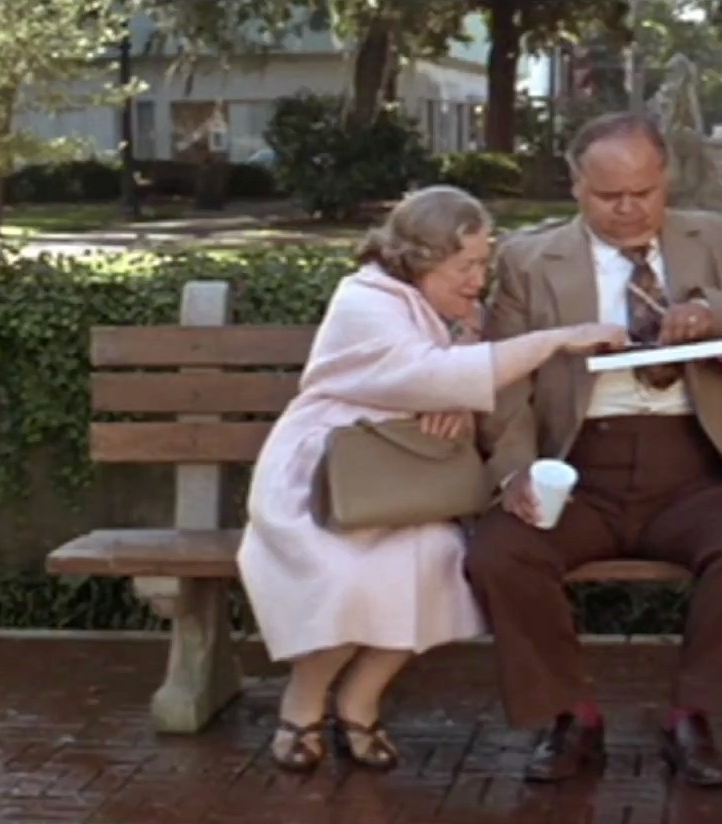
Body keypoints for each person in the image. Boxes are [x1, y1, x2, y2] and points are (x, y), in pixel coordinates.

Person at [463, 112, 722, 788]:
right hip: (579, 468)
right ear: (575, 186)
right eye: (607, 196)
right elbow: (503, 382)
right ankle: (571, 716)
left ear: (665, 180)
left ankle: (694, 717)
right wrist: (516, 472)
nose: (627, 210)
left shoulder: (715, 240)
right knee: (501, 552)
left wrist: (713, 311)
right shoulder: (530, 260)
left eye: (642, 193)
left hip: (692, 470)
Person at [237, 186, 629, 774]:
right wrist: (550, 342)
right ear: (421, 259)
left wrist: (457, 399)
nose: (478, 279)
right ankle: (302, 702)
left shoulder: (449, 310)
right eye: (464, 265)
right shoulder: (364, 298)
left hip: (408, 481)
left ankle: (359, 701)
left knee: (439, 560)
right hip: (324, 478)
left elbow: (456, 377)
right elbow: (425, 372)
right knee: (348, 574)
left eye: (483, 264)